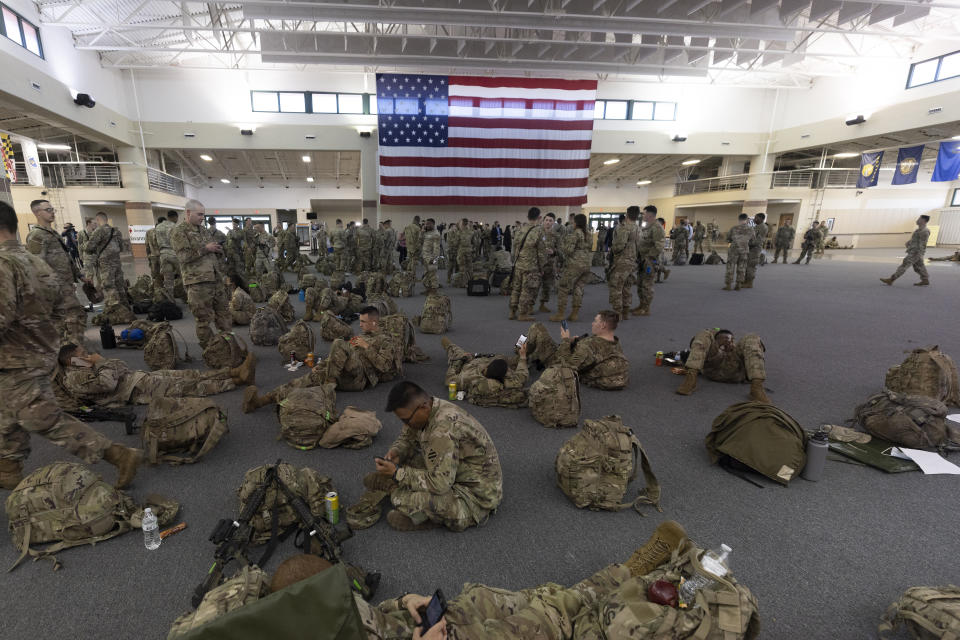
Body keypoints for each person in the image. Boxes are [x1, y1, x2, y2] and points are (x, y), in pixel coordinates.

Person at [0, 201, 141, 490]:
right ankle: (9, 469)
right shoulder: (34, 261)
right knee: (8, 417)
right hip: (35, 352)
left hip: (15, 359)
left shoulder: (4, 265)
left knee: (43, 418)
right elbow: (56, 310)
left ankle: (116, 454)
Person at [367, 380, 503, 532]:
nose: (405, 423)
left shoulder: (443, 429)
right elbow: (407, 437)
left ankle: (408, 502)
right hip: (455, 470)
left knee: (401, 499)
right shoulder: (430, 407)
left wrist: (397, 474)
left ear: (423, 406)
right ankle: (413, 504)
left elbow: (440, 484)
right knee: (408, 460)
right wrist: (397, 451)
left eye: (406, 419)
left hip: (475, 496)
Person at [243, 306, 401, 411]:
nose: (360, 325)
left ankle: (329, 385)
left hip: (360, 377)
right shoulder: (363, 335)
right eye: (359, 321)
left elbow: (384, 366)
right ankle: (262, 401)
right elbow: (341, 354)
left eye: (363, 322)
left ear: (374, 322)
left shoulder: (385, 340)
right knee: (305, 379)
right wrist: (325, 364)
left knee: (339, 342)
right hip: (342, 370)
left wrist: (367, 347)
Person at [54, 344, 255, 407]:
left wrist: (101, 364)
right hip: (136, 390)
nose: (86, 355)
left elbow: (121, 365)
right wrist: (100, 362)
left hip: (138, 378)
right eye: (81, 354)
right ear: (73, 361)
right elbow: (108, 383)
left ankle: (234, 371)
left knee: (187, 374)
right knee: (188, 386)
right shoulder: (75, 378)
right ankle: (236, 382)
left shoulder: (85, 369)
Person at [26, 199, 89, 346]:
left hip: (66, 285)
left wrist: (80, 276)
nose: (52, 212)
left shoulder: (53, 233)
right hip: (55, 288)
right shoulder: (36, 236)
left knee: (73, 319)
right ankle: (72, 356)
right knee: (71, 319)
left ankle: (73, 352)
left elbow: (66, 258)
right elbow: (36, 265)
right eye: (48, 210)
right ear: (37, 213)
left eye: (52, 209)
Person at [170, 199, 232, 348]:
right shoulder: (179, 232)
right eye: (199, 214)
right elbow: (183, 257)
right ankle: (210, 350)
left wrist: (217, 250)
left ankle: (228, 345)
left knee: (224, 315)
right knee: (204, 319)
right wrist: (206, 248)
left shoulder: (203, 230)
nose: (202, 218)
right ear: (188, 213)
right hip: (198, 283)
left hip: (215, 280)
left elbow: (210, 251)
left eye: (203, 215)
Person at [524, 310, 629, 390]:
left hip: (558, 361)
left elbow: (565, 367)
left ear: (603, 325)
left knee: (536, 327)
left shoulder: (587, 346)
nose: (592, 323)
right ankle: (525, 349)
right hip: (583, 362)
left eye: (595, 321)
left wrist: (565, 340)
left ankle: (520, 349)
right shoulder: (615, 342)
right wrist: (575, 343)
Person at [675, 328, 769, 403]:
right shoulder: (713, 347)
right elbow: (697, 344)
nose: (727, 342)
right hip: (713, 366)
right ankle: (691, 378)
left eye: (730, 340)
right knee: (704, 333)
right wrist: (719, 346)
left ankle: (757, 387)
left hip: (736, 369)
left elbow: (753, 353)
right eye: (723, 339)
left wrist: (731, 348)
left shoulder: (736, 350)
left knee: (752, 337)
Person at [441, 336, 529, 407]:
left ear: (487, 367)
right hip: (487, 359)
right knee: (508, 357)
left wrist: (458, 362)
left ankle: (446, 341)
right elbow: (522, 374)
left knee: (451, 347)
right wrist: (522, 356)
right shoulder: (509, 380)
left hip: (470, 361)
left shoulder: (468, 376)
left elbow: (449, 380)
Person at [83, 211, 134, 317]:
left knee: (109, 286)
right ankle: (126, 309)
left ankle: (116, 313)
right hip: (117, 262)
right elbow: (121, 248)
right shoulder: (116, 231)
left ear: (98, 219)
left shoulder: (99, 231)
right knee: (120, 285)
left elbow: (89, 248)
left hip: (105, 263)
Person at [550, 213, 592, 322]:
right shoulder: (588, 233)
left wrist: (562, 244)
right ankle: (574, 314)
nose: (572, 224)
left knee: (563, 287)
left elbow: (568, 250)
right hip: (586, 263)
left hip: (575, 264)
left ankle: (560, 314)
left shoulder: (576, 233)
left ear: (576, 223)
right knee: (579, 288)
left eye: (573, 222)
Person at [509, 207, 546, 321]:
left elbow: (514, 248)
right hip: (531, 266)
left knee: (516, 288)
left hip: (518, 264)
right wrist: (542, 267)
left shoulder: (520, 229)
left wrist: (514, 262)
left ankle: (512, 311)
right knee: (527, 290)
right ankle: (523, 314)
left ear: (527, 216)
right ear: (539, 217)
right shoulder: (539, 231)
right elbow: (541, 252)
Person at [607, 206, 640, 321]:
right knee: (627, 287)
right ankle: (626, 312)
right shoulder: (638, 228)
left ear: (627, 215)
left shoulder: (624, 228)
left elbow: (618, 246)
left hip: (622, 262)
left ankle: (617, 313)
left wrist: (612, 250)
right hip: (633, 262)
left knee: (616, 287)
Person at [881, 215, 931, 286]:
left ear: (923, 220)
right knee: (918, 267)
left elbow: (922, 244)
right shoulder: (918, 230)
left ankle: (891, 279)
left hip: (916, 252)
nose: (917, 220)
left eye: (919, 219)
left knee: (904, 265)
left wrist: (918, 254)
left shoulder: (925, 231)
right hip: (913, 251)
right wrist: (909, 242)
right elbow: (915, 239)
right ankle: (925, 280)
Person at [633, 206, 664, 316]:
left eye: (644, 213)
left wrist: (649, 258)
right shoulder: (647, 226)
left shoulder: (657, 228)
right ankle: (641, 305)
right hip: (642, 260)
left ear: (650, 215)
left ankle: (646, 309)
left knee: (647, 285)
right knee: (640, 284)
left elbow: (659, 246)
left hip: (650, 261)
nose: (642, 215)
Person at [154, 211, 181, 302]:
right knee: (185, 276)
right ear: (175, 217)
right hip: (174, 254)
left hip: (163, 254)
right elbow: (178, 242)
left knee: (168, 280)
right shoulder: (175, 227)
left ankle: (170, 301)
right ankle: (189, 298)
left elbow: (155, 242)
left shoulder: (158, 227)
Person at [723, 214, 754, 291]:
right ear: (747, 220)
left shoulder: (733, 228)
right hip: (744, 251)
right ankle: (739, 285)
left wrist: (734, 241)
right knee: (742, 267)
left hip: (734, 250)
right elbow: (753, 241)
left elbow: (728, 239)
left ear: (739, 219)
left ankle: (728, 285)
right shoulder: (751, 229)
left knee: (730, 266)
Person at [742, 212, 767, 289]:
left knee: (751, 266)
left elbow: (758, 240)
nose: (754, 219)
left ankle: (749, 283)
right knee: (747, 265)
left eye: (756, 218)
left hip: (755, 249)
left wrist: (748, 243)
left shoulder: (763, 227)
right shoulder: (756, 227)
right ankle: (746, 281)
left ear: (761, 218)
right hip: (750, 248)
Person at [421, 218, 442, 294]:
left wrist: (434, 259)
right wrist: (422, 232)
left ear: (433, 224)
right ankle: (428, 290)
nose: (427, 225)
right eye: (426, 224)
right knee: (427, 275)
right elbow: (420, 241)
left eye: (429, 224)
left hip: (431, 258)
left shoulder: (436, 234)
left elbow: (437, 249)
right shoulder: (426, 233)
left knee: (433, 275)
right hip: (425, 257)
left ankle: (434, 292)